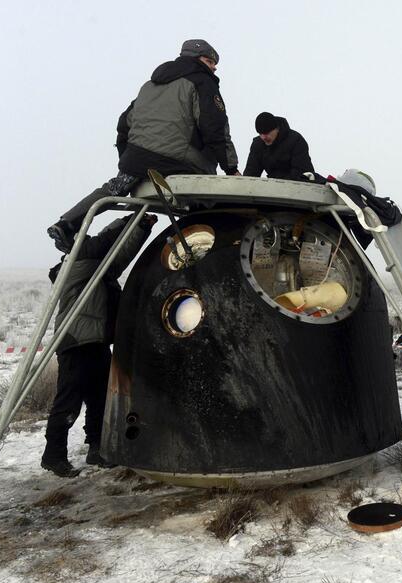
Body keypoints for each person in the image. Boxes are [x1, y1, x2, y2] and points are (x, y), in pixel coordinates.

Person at [47, 39, 239, 253]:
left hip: (138, 160)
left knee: (113, 189)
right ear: (195, 60)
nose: (213, 67)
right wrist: (231, 168)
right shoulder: (203, 82)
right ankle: (211, 240)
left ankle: (67, 223)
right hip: (179, 163)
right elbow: (215, 128)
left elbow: (124, 123)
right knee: (209, 200)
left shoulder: (149, 85)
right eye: (209, 60)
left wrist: (127, 160)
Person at [41, 215, 157, 477]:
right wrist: (131, 220)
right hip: (76, 343)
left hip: (96, 343)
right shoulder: (74, 267)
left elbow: (119, 257)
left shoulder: (97, 272)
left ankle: (96, 447)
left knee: (99, 400)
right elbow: (106, 245)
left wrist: (142, 230)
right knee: (68, 402)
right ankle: (53, 455)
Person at [243, 112, 314, 180]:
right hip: (274, 187)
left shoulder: (295, 140)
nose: (264, 137)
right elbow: (251, 173)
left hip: (302, 185)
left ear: (277, 129)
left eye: (267, 133)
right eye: (260, 133)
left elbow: (301, 172)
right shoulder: (258, 144)